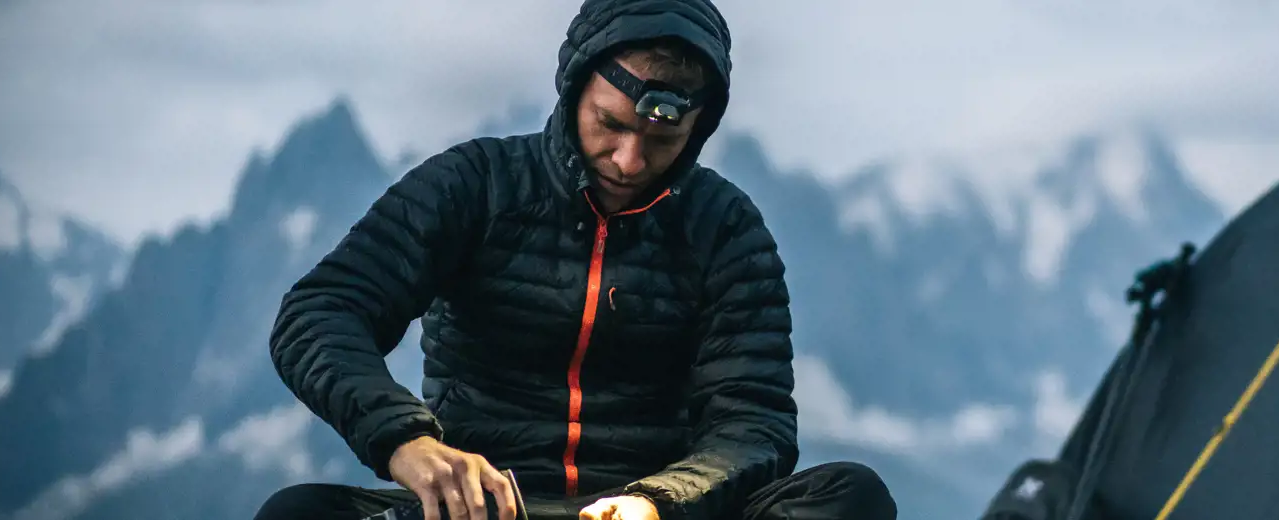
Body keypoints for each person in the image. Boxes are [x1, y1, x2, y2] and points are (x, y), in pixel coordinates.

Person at [254, 0, 898, 519]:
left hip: (653, 511)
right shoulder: (472, 185)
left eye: (664, 137)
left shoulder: (727, 230)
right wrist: (407, 443)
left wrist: (657, 502)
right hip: (482, 512)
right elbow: (319, 313)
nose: (629, 160)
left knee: (852, 497)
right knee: (298, 512)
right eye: (609, 123)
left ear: (697, 130)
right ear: (572, 89)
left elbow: (753, 422)